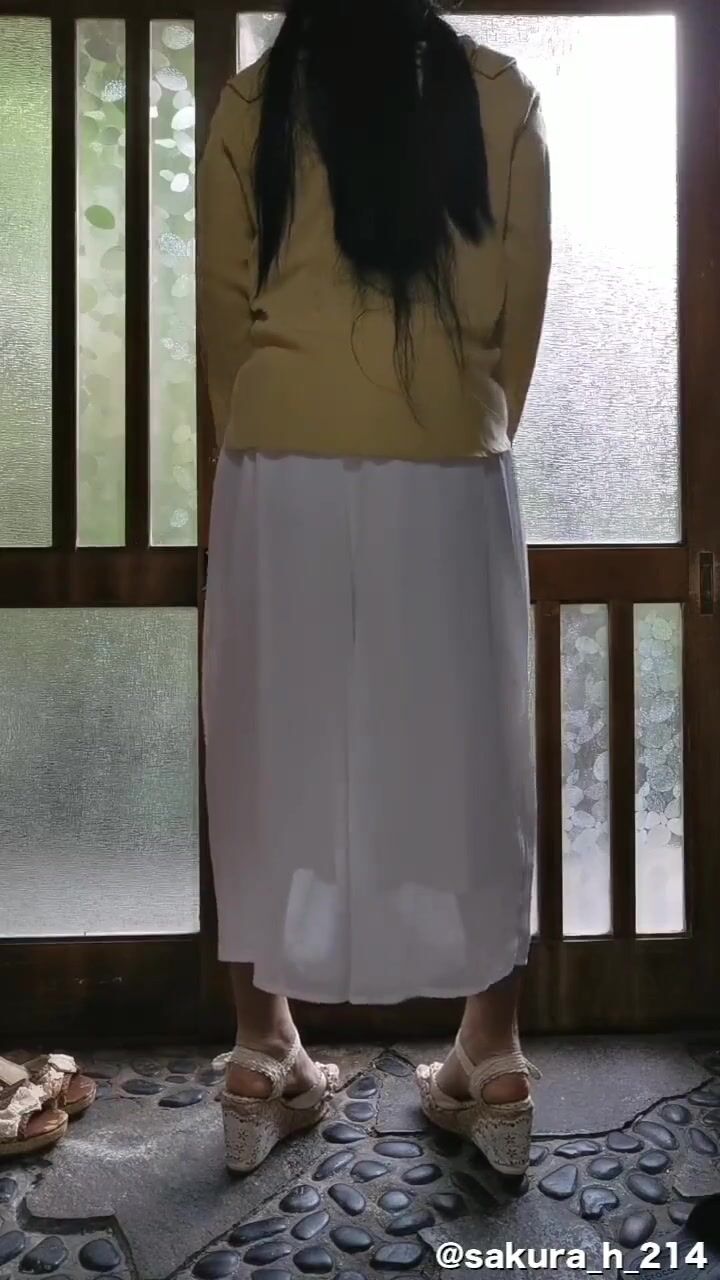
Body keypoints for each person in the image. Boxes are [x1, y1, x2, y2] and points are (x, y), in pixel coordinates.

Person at [198, 0, 551, 1177]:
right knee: (469, 747)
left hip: (278, 465)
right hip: (451, 456)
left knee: (270, 744)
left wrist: (263, 432)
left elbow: (222, 315)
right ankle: (492, 1055)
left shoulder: (255, 101)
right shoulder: (498, 93)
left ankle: (261, 1051)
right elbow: (519, 304)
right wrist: (465, 415)